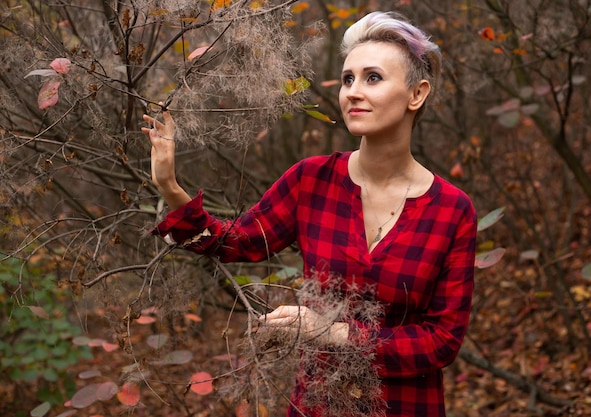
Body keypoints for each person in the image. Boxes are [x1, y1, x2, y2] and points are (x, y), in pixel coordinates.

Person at [142, 11, 477, 417]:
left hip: (404, 406)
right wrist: (170, 188)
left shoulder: (451, 210)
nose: (353, 91)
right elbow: (234, 242)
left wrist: (332, 332)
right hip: (320, 405)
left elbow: (441, 341)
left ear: (416, 94)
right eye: (348, 78)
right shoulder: (312, 180)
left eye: (373, 78)